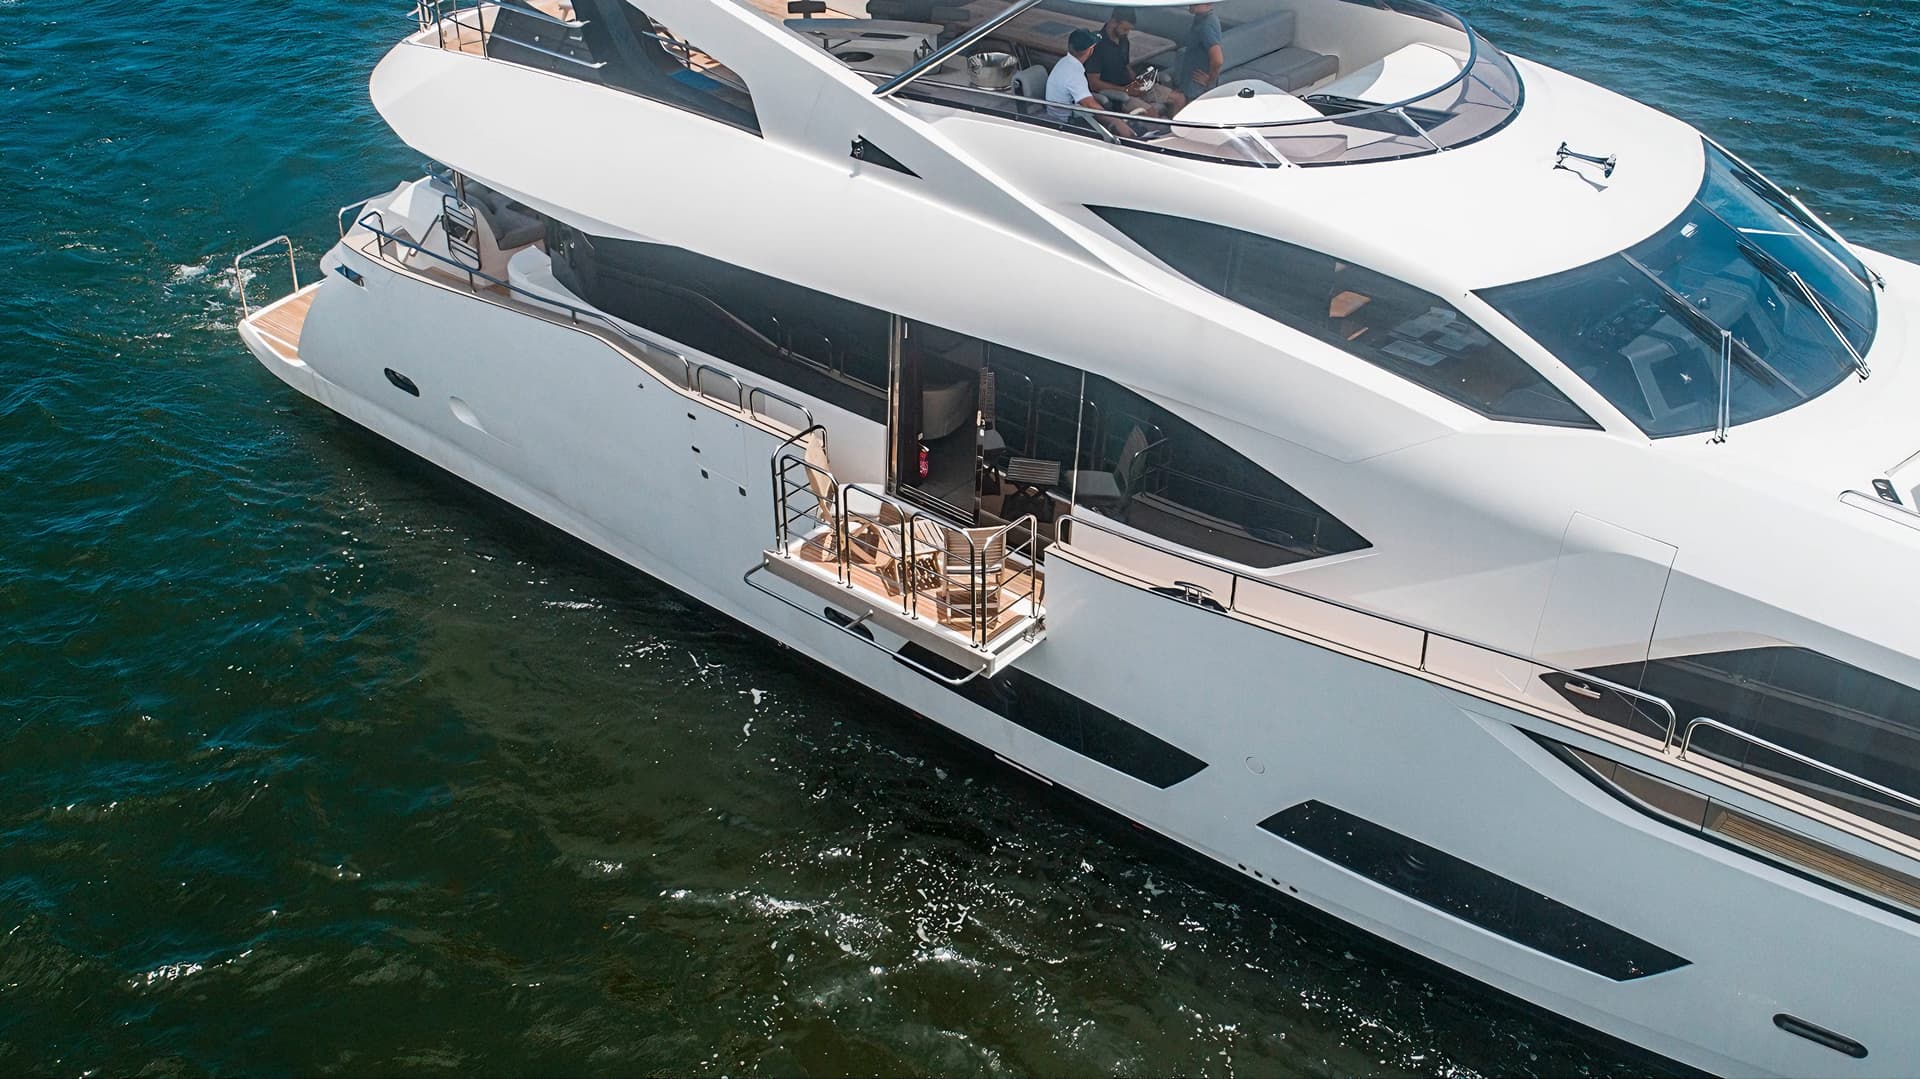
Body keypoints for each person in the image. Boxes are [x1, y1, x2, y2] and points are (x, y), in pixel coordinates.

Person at [1085, 7, 1185, 119]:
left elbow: (1126, 65)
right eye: (1125, 29)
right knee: (1152, 114)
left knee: (1179, 99)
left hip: (1132, 86)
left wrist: (1137, 81)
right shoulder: (1097, 46)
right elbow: (1094, 82)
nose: (1127, 33)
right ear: (1114, 22)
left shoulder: (1123, 40)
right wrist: (1126, 90)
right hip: (1118, 93)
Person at [1046, 27, 1136, 137]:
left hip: (1066, 112)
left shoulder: (1065, 62)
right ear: (1090, 50)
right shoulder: (1073, 74)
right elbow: (1089, 105)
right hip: (1067, 122)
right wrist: (1118, 123)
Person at [1174, 2, 1224, 101]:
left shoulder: (1206, 26)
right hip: (1188, 83)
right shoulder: (1202, 19)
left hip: (1196, 90)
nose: (1191, 3)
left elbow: (1218, 60)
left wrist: (1210, 80)